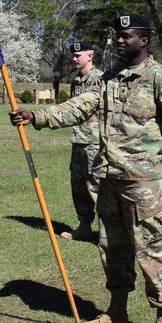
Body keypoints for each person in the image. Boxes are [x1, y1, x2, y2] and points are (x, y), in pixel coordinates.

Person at [10, 14, 162, 323]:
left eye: (128, 36)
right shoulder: (108, 78)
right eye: (118, 36)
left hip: (143, 183)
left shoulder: (159, 78)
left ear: (143, 41)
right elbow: (81, 106)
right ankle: (117, 311)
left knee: (152, 250)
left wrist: (148, 154)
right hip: (108, 178)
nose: (121, 40)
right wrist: (37, 116)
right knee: (113, 248)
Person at [60, 40, 104, 242]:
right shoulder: (76, 80)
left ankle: (106, 231)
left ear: (90, 56)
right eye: (73, 55)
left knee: (98, 186)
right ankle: (84, 225)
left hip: (95, 142)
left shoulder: (101, 79)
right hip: (78, 140)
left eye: (78, 55)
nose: (74, 59)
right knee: (78, 187)